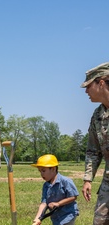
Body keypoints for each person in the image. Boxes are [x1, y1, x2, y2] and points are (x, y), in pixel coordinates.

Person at [81, 62, 109, 225]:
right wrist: (87, 179)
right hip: (107, 181)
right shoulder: (98, 115)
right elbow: (93, 151)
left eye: (88, 86)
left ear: (101, 82)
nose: (86, 91)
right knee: (100, 221)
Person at [31, 154, 79, 225]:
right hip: (56, 217)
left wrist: (58, 203)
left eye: (43, 171)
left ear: (53, 169)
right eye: (40, 171)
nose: (41, 174)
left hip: (68, 215)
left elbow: (73, 197)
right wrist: (37, 218)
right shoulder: (46, 185)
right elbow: (44, 203)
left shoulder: (65, 181)